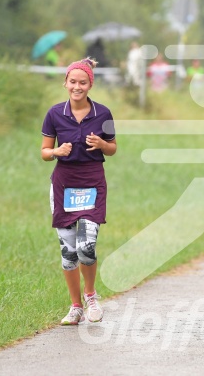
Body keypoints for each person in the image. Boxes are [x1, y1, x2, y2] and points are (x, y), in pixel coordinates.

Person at [40, 57, 117, 325]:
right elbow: (44, 152)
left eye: (82, 82)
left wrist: (101, 144)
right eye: (72, 81)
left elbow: (113, 147)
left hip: (92, 182)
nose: (77, 86)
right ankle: (75, 307)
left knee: (87, 246)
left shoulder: (103, 114)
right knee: (68, 251)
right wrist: (56, 152)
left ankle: (91, 295)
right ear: (65, 83)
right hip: (63, 184)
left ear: (90, 84)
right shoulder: (54, 114)